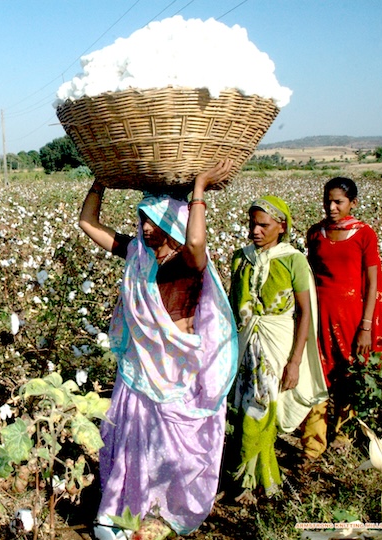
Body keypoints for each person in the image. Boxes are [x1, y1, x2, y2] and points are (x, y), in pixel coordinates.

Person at [79, 160, 238, 539]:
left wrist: (199, 187)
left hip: (176, 372)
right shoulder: (138, 253)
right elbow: (88, 224)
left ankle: (162, 508)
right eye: (143, 219)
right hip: (139, 370)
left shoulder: (188, 261)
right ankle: (127, 508)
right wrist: (101, 179)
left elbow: (196, 240)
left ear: (175, 224)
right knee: (134, 442)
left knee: (173, 449)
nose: (146, 228)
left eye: (154, 221)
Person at [228, 196, 327, 505]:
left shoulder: (293, 259)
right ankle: (259, 477)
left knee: (261, 407)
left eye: (263, 225)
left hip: (278, 342)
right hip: (246, 342)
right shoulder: (240, 258)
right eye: (252, 224)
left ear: (281, 227)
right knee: (249, 407)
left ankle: (249, 479)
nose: (255, 231)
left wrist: (295, 360)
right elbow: (233, 306)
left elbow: (305, 312)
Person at [301, 177, 382, 460]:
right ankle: (313, 444)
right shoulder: (316, 234)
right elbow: (308, 275)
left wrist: (366, 326)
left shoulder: (365, 234)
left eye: (338, 201)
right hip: (320, 313)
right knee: (318, 374)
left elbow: (372, 283)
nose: (332, 206)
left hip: (352, 317)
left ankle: (342, 434)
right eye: (328, 200)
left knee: (348, 373)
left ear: (353, 203)